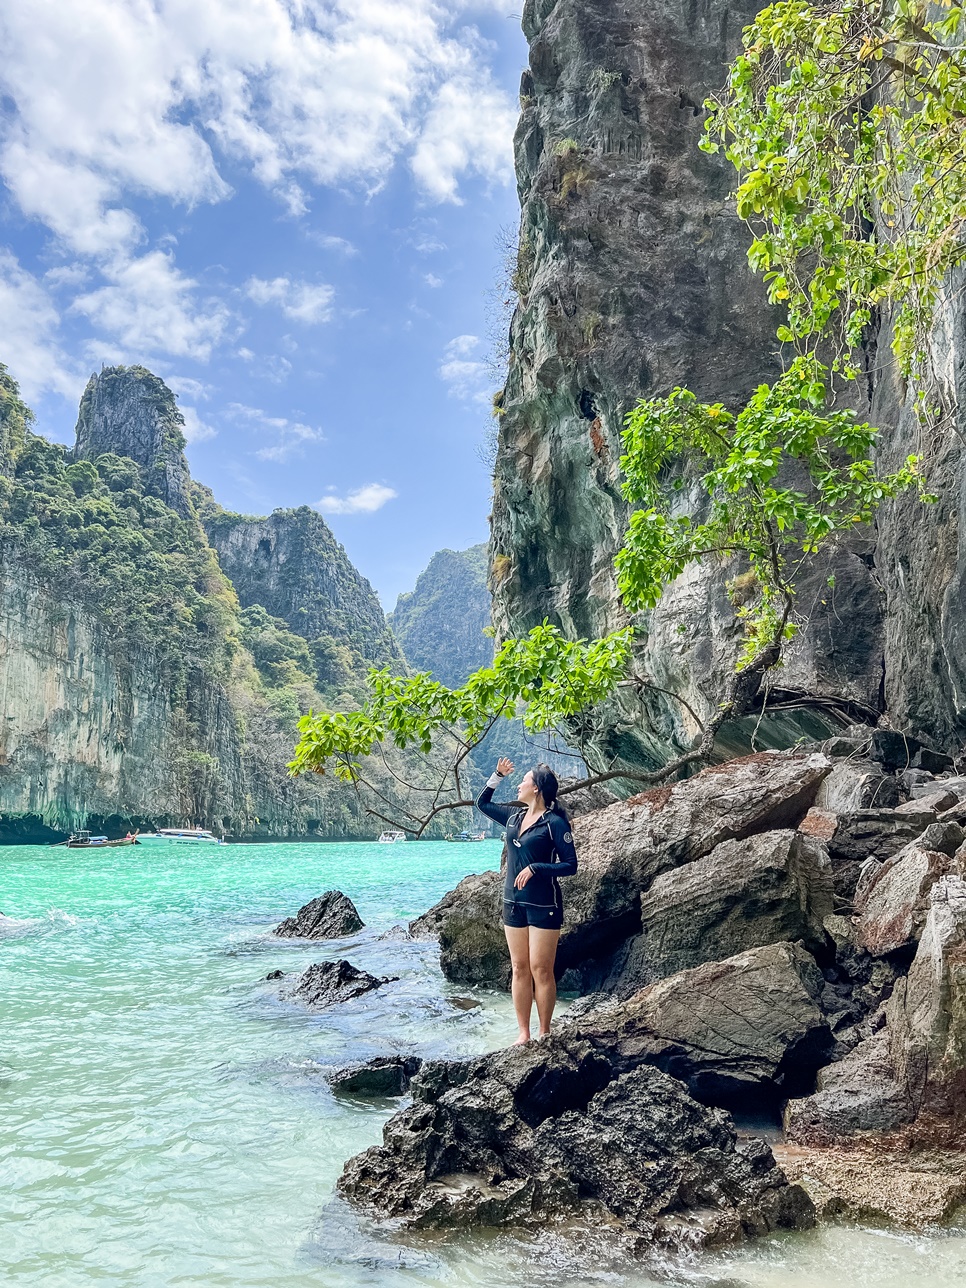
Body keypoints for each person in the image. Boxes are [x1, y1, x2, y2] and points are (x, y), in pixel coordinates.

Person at [476, 757, 578, 1045]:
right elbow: (482, 804)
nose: (519, 784)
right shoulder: (513, 817)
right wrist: (497, 775)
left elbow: (571, 865)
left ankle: (545, 1032)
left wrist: (537, 868)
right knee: (519, 967)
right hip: (513, 902)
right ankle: (523, 1033)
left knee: (541, 969)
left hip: (544, 904)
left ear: (536, 789)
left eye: (523, 780)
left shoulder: (555, 824)